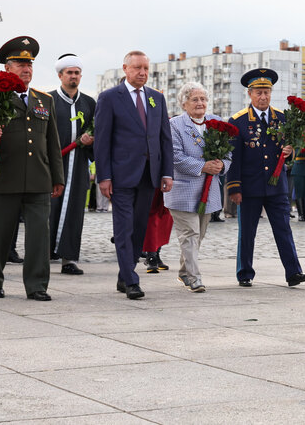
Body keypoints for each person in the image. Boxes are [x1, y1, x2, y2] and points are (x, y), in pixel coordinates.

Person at [0, 36, 64, 301]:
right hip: (4, 177)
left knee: (39, 236)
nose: (26, 69)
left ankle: (37, 285)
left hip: (39, 178)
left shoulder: (44, 100)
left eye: (29, 65)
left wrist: (57, 177)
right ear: (7, 68)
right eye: (19, 64)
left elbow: (52, 142)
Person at [95, 51, 173, 299]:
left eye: (146, 69)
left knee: (140, 228)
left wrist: (167, 173)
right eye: (137, 68)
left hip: (149, 176)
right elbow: (102, 140)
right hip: (121, 176)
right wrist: (103, 176)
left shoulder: (156, 99)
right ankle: (131, 280)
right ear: (125, 69)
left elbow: (164, 139)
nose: (142, 73)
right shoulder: (109, 98)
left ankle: (124, 274)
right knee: (123, 227)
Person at [226, 68, 305, 287]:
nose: (263, 96)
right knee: (247, 233)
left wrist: (290, 150)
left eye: (266, 92)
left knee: (284, 229)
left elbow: (290, 148)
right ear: (250, 94)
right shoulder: (238, 121)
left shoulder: (282, 118)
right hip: (249, 186)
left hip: (276, 187)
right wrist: (234, 188)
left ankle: (293, 272)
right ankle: (245, 273)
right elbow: (233, 158)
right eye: (258, 92)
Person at [163, 82, 231, 292]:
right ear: (184, 103)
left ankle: (184, 272)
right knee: (189, 234)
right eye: (195, 99)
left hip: (209, 191)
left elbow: (229, 152)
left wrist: (222, 165)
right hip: (183, 189)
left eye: (203, 99)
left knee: (198, 235)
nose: (200, 103)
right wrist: (203, 166)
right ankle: (194, 278)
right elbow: (175, 156)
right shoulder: (175, 125)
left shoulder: (216, 122)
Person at [49, 54, 96, 275]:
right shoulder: (48, 100)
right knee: (48, 209)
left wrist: (90, 141)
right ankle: (44, 254)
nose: (74, 77)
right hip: (52, 164)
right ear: (60, 75)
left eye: (77, 73)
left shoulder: (88, 103)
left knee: (75, 210)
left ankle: (68, 259)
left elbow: (96, 131)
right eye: (69, 73)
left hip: (78, 166)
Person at [291, 145, 305, 221]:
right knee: (299, 192)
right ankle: (301, 215)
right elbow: (296, 153)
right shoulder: (298, 140)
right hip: (299, 168)